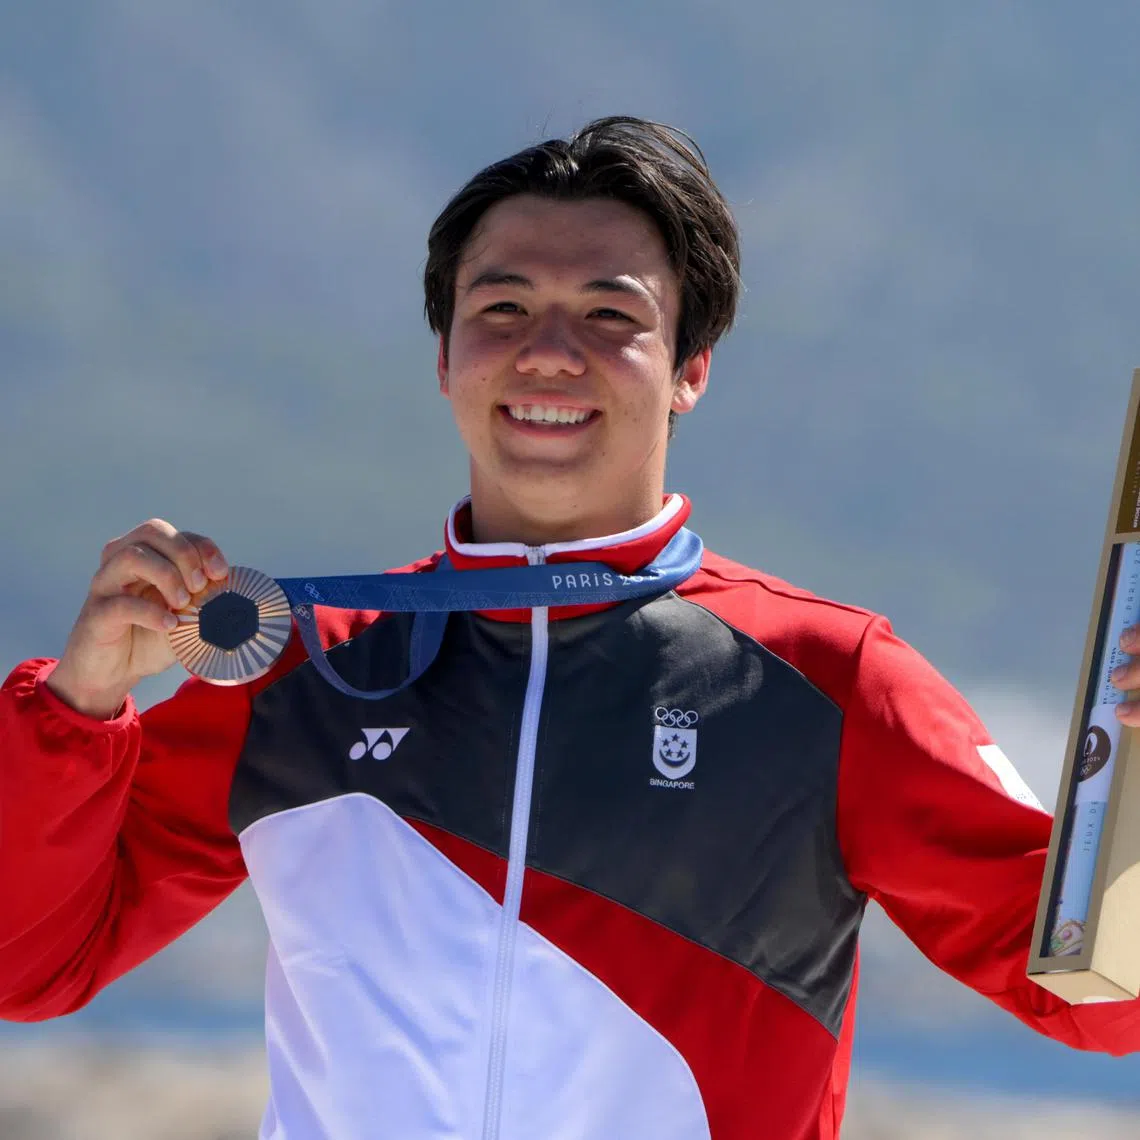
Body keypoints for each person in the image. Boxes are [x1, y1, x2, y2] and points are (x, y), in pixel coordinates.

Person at [2, 116, 1139, 1140]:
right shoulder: (302, 663)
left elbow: (1103, 1003)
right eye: (502, 309)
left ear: (690, 370)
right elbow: (29, 966)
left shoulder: (827, 681)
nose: (550, 352)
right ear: (446, 358)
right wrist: (76, 709)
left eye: (610, 314)